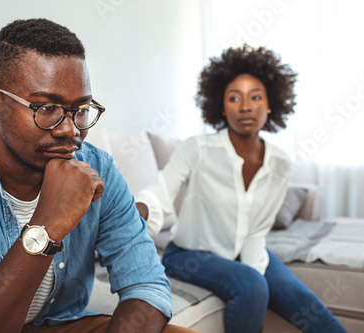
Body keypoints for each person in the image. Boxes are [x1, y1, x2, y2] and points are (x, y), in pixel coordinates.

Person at [0, 19, 195, 333]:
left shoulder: (98, 170)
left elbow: (147, 284)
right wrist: (48, 225)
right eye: (46, 108)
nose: (70, 130)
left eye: (81, 109)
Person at [135, 45, 347, 333]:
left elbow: (257, 231)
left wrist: (253, 272)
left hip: (247, 251)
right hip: (188, 255)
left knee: (312, 310)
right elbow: (160, 193)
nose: (245, 106)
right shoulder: (197, 149)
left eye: (255, 97)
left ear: (270, 104)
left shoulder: (280, 164)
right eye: (234, 98)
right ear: (221, 106)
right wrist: (139, 211)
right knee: (250, 285)